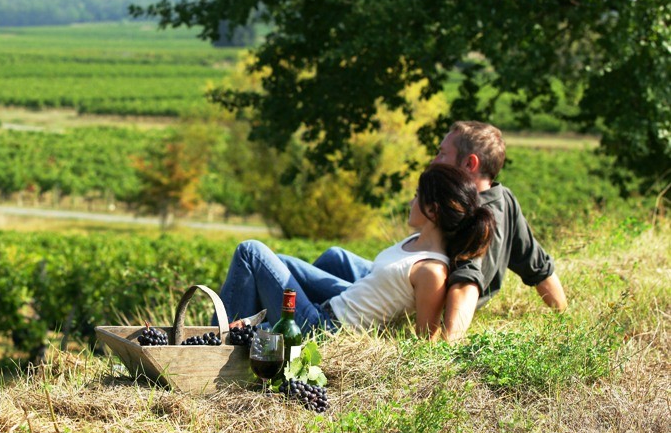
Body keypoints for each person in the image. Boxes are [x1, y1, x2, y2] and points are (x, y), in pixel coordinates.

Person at [287, 120, 567, 342]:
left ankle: (298, 325)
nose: (434, 160)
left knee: (275, 260)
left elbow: (466, 283)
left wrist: (448, 342)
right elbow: (539, 267)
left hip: (417, 292)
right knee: (336, 257)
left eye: (442, 153)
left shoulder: (472, 215)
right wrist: (564, 320)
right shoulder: (503, 197)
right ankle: (309, 314)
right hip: (408, 280)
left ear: (469, 164)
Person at [218, 164, 495, 337]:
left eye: (416, 196)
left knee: (251, 251)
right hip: (329, 309)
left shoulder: (432, 271)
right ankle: (246, 333)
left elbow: (427, 339)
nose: (411, 202)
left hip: (322, 330)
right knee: (279, 262)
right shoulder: (415, 243)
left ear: (432, 210)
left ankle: (221, 343)